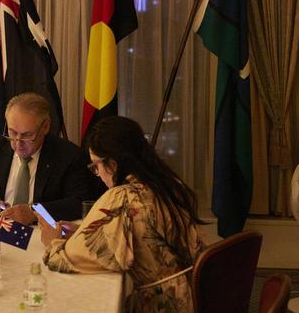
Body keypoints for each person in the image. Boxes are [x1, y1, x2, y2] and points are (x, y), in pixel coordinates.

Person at [37, 116, 206, 313]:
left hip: (166, 305)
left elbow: (68, 259)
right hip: (198, 292)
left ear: (113, 164)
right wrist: (87, 230)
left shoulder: (122, 198)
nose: (98, 174)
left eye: (96, 166)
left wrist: (53, 242)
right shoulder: (166, 183)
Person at [0, 92, 92, 224]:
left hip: (41, 235)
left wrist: (34, 212)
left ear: (45, 127)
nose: (17, 142)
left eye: (27, 135)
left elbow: (78, 203)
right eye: (12, 132)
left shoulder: (67, 155)